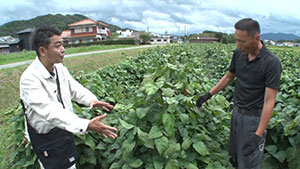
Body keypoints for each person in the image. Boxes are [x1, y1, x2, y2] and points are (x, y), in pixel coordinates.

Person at [20, 25, 118, 169]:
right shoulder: (29, 79)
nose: (63, 49)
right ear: (42, 50)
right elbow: (49, 111)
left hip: (64, 129)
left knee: (69, 164)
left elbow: (74, 88)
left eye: (63, 44)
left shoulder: (59, 68)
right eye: (57, 45)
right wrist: (86, 124)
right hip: (46, 137)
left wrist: (91, 99)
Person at [196, 18, 281, 169]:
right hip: (236, 113)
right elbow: (229, 76)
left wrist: (258, 135)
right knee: (235, 158)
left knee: (249, 163)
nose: (238, 45)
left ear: (257, 38)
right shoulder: (239, 53)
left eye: (242, 41)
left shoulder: (271, 63)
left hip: (254, 119)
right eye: (237, 40)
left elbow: (269, 102)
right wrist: (208, 95)